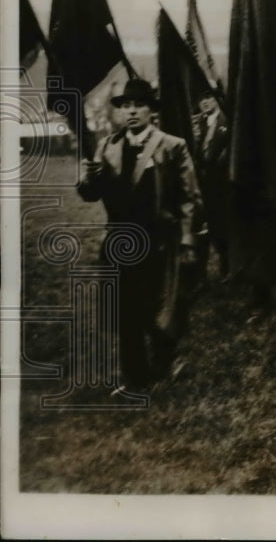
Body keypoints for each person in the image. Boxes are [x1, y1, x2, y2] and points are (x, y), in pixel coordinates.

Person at [78, 78, 202, 393]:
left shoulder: (172, 146)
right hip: (119, 240)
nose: (131, 112)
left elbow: (190, 198)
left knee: (155, 307)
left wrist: (187, 239)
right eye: (125, 106)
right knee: (124, 310)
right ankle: (136, 378)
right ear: (119, 111)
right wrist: (88, 180)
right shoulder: (108, 146)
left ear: (151, 111)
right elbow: (92, 195)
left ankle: (164, 356)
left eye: (139, 105)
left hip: (158, 239)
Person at [190, 87, 229, 278]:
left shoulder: (227, 121)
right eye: (201, 99)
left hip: (221, 185)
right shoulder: (196, 123)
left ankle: (227, 268)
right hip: (201, 184)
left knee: (222, 228)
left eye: (208, 97)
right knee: (200, 229)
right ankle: (200, 273)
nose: (204, 102)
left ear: (216, 99)